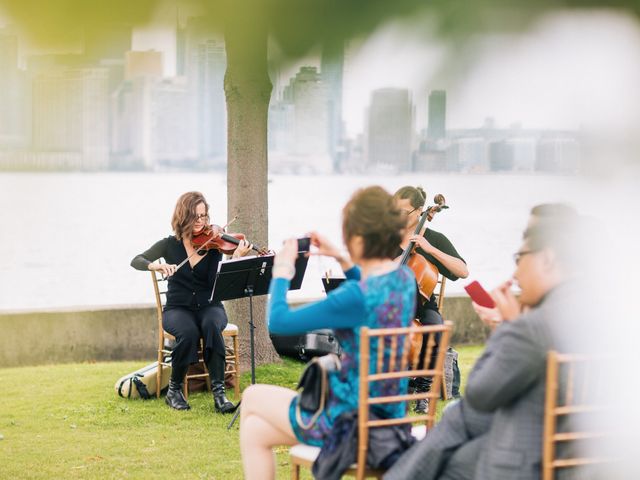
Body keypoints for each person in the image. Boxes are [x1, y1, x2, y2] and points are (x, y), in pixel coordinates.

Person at [384, 215, 596, 480]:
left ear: (548, 259)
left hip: (526, 455)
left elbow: (480, 393)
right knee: (454, 422)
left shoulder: (534, 325)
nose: (516, 274)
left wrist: (506, 328)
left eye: (520, 258)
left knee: (452, 433)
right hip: (577, 449)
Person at [239, 186, 417, 480]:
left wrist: (282, 271)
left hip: (347, 421)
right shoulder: (404, 279)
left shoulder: (353, 297)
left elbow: (279, 322)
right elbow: (371, 282)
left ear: (357, 239)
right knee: (255, 432)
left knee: (253, 396)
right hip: (390, 418)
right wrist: (341, 258)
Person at [130, 191, 251, 412]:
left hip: (209, 306)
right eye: (196, 216)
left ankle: (219, 395)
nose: (201, 222)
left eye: (204, 216)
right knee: (188, 333)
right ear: (183, 216)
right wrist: (156, 266)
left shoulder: (215, 243)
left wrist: (235, 258)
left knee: (211, 325)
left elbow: (220, 279)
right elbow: (136, 260)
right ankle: (174, 391)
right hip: (178, 308)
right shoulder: (169, 245)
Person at [394, 186, 468, 413]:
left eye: (402, 213)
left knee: (435, 328)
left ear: (419, 211)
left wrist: (430, 250)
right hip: (392, 305)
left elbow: (462, 271)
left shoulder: (434, 239)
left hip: (423, 305)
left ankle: (423, 392)